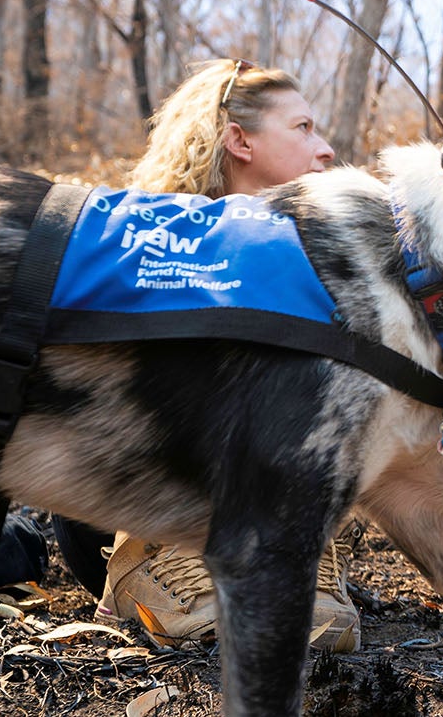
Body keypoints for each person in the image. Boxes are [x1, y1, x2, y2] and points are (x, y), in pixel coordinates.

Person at [52, 57, 355, 652]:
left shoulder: (320, 255)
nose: (325, 149)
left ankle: (297, 553)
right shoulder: (147, 238)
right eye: (303, 128)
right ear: (240, 140)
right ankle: (149, 566)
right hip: (124, 511)